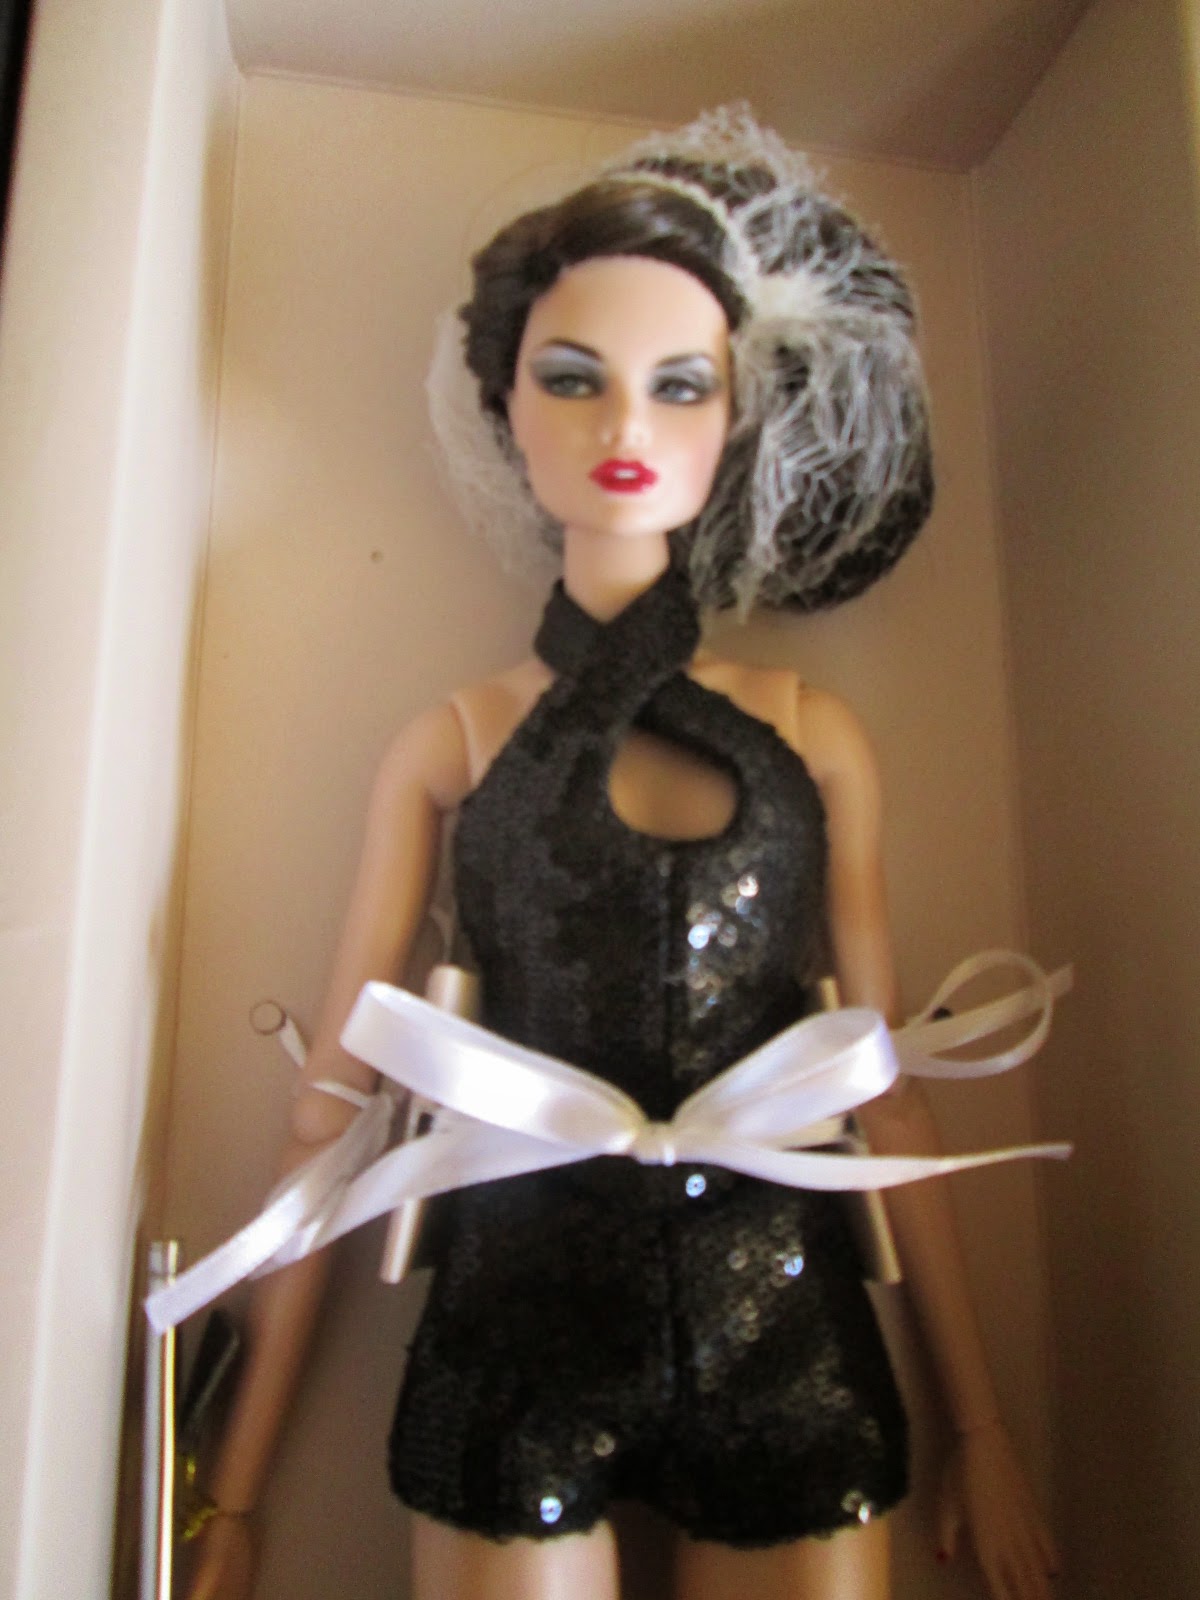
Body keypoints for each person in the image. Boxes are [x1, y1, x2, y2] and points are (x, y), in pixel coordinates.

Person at [184, 107, 1059, 1600]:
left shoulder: (812, 735)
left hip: (783, 1328)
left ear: (734, 419)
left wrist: (983, 1430)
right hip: (511, 1338)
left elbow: (882, 1094)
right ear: (507, 407)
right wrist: (237, 1496)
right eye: (573, 379)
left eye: (681, 387)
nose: (625, 431)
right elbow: (330, 1117)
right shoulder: (453, 743)